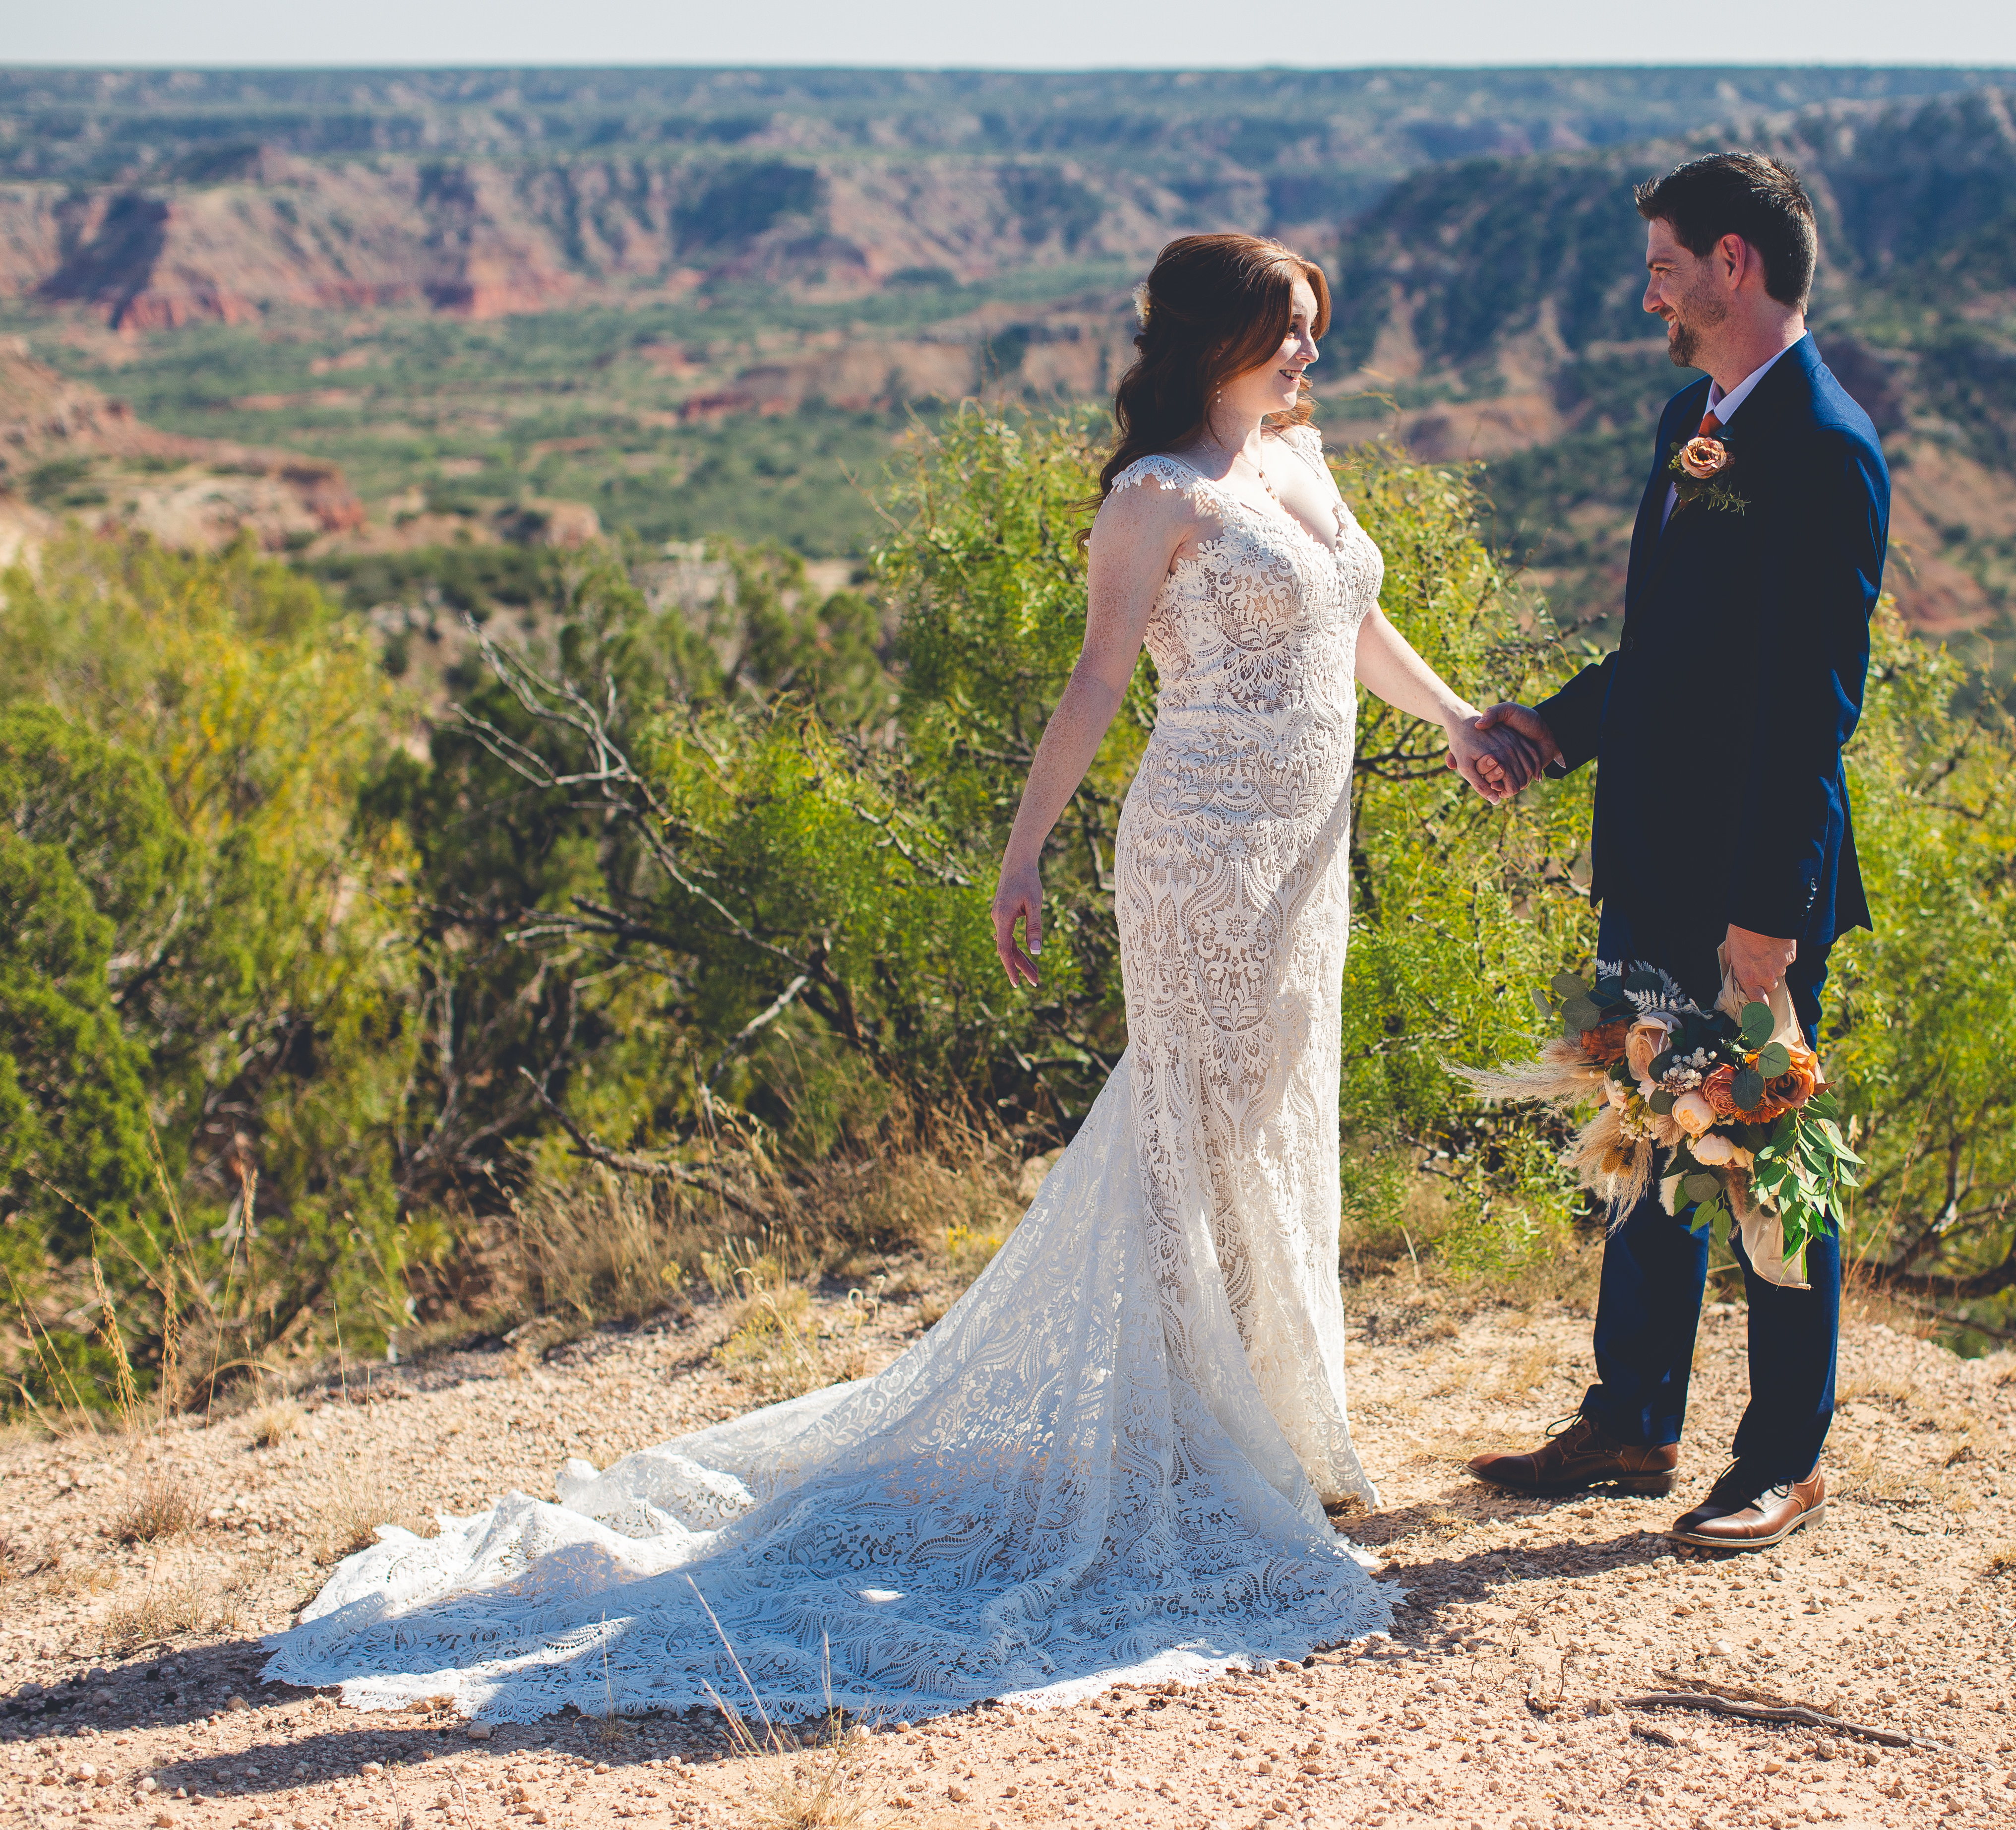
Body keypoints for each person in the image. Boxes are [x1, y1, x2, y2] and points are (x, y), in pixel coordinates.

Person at [263, 232, 1538, 1722]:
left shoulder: (1295, 459)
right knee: (1196, 1137)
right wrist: (1022, 857)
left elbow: (1350, 619)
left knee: (1276, 1122)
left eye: (1315, 330)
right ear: (1209, 340)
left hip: (1310, 857)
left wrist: (1452, 718)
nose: (1309, 355)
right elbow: (1095, 683)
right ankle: (1204, 1455)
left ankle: (1269, 1427)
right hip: (1200, 856)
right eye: (1283, 333)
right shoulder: (1155, 500)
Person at [1464, 153, 1890, 1552]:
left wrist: (1768, 914)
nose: (1645, 285)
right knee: (1646, 1147)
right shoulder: (1690, 420)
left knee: (1775, 1166)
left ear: (1734, 264)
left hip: (1744, 889)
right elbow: (1671, 663)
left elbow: (1809, 707)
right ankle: (1635, 1416)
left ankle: (1784, 1457)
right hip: (1648, 860)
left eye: (1661, 262)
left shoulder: (1825, 449)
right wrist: (1545, 733)